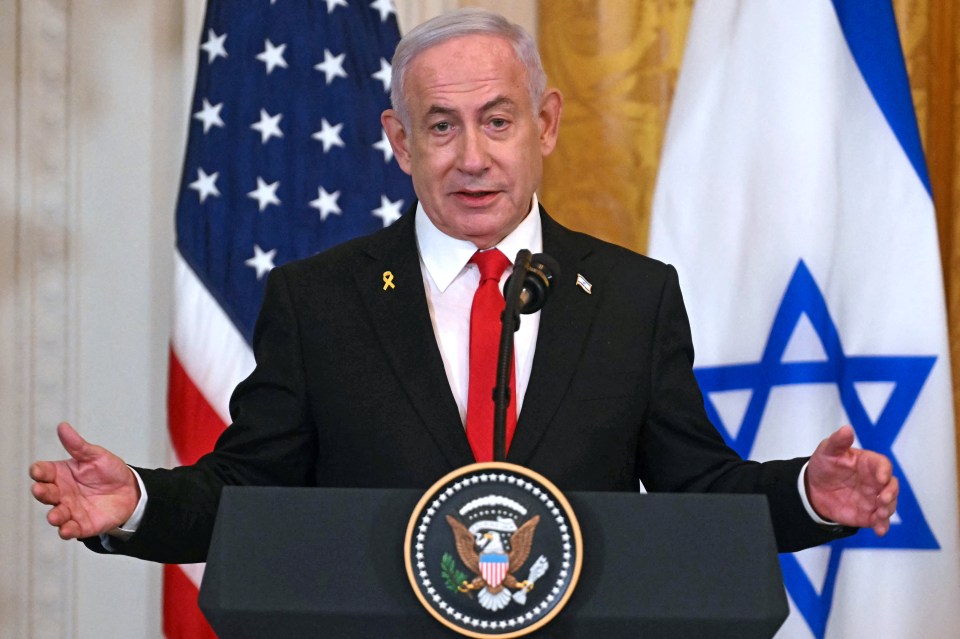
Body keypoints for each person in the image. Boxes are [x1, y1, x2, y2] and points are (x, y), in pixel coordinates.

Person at [30, 9, 898, 564]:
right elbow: (248, 492)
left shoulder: (635, 297)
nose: (471, 157)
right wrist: (139, 501)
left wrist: (806, 497)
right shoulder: (318, 300)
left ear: (545, 123)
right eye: (440, 127)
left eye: (497, 120)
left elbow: (695, 493)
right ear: (400, 143)